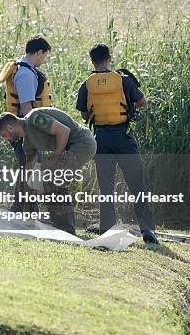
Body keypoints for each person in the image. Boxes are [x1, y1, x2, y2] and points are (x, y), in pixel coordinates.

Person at [76, 43, 158, 244]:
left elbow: (84, 113)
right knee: (137, 183)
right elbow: (142, 102)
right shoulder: (124, 80)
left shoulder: (86, 85)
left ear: (92, 60)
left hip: (101, 140)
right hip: (124, 137)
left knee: (105, 187)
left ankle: (107, 229)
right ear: (109, 58)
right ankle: (147, 230)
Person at [0, 108, 97, 235]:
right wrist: (31, 187)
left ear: (10, 128)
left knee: (53, 180)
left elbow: (64, 131)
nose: (6, 139)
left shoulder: (34, 119)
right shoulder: (27, 142)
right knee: (44, 182)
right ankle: (56, 226)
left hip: (82, 144)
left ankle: (66, 230)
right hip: (69, 148)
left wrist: (54, 158)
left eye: (4, 135)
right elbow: (30, 167)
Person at [0, 36, 53, 214]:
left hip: (22, 128)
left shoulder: (21, 68)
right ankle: (21, 209)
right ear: (39, 52)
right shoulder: (26, 74)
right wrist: (38, 131)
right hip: (26, 130)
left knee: (29, 169)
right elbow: (27, 107)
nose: (43, 59)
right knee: (29, 168)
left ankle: (25, 208)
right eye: (44, 55)